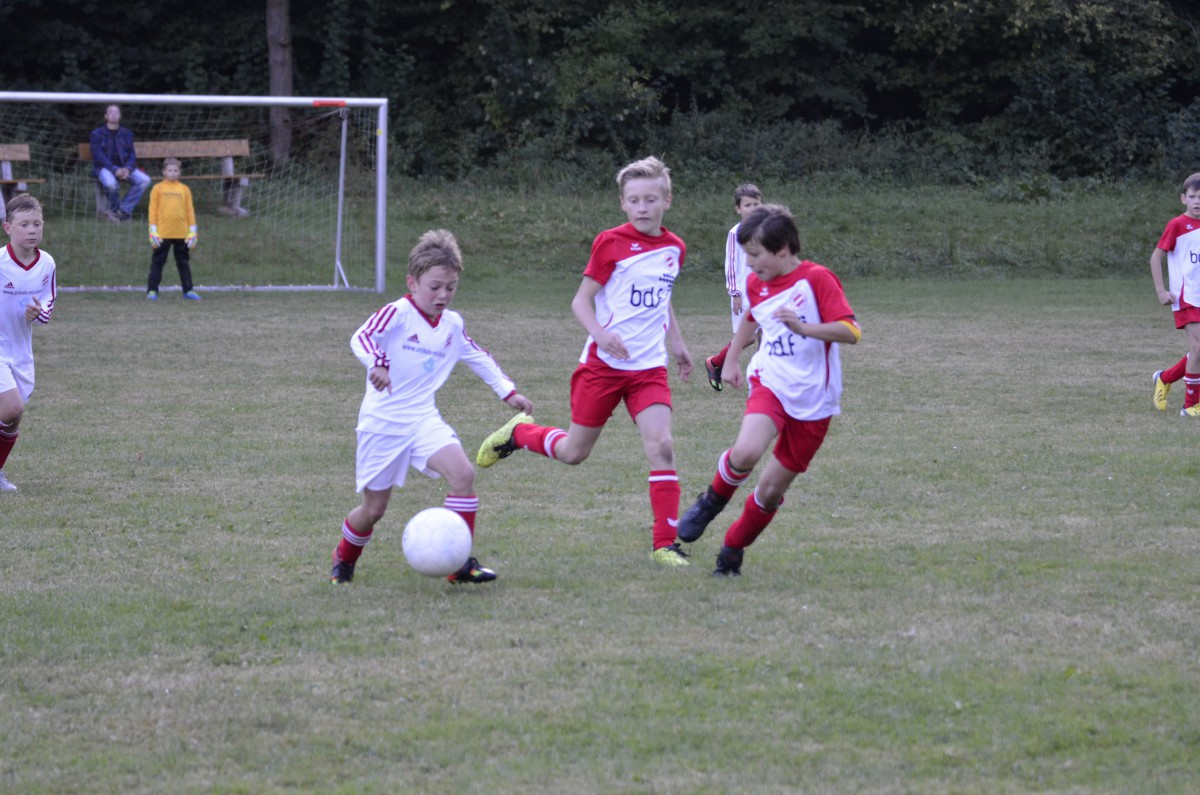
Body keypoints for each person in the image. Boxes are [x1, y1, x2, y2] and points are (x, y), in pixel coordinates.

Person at [475, 155, 695, 567]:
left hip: (647, 369)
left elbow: (663, 302)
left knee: (662, 446)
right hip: (602, 367)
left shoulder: (674, 248)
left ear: (667, 200)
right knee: (575, 452)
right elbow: (580, 301)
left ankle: (665, 544)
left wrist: (678, 345)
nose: (643, 206)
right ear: (623, 205)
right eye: (635, 200)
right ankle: (519, 435)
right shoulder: (610, 242)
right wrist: (600, 334)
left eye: (651, 198)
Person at [329, 228, 533, 585]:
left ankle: (460, 564)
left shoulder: (452, 324)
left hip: (423, 419)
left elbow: (477, 355)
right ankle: (344, 558)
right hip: (382, 424)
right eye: (435, 286)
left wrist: (508, 392)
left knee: (464, 476)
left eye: (450, 287)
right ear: (412, 282)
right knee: (373, 510)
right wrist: (377, 362)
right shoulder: (398, 313)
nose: (443, 295)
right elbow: (360, 336)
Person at [676, 204, 860, 576]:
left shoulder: (818, 280)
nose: (750, 263)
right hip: (771, 380)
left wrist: (805, 328)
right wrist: (729, 361)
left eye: (755, 255)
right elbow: (750, 316)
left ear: (783, 250)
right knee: (744, 451)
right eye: (746, 255)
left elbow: (851, 331)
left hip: (814, 401)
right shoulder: (755, 282)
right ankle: (710, 502)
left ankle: (732, 550)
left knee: (770, 492)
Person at [0, 193, 58, 492]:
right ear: (7, 227)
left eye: (37, 223)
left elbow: (47, 303)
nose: (32, 230)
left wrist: (39, 312)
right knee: (11, 409)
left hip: (21, 352)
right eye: (24, 224)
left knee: (11, 419)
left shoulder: (46, 263)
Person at [703, 183, 764, 391]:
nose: (753, 208)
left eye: (756, 204)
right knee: (746, 338)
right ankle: (716, 362)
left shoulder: (768, 228)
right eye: (748, 205)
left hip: (766, 292)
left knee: (766, 335)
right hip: (744, 294)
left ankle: (764, 378)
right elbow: (731, 265)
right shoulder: (735, 232)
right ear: (738, 209)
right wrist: (735, 293)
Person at [1149, 172, 1200, 417]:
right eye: (1193, 197)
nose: (1198, 201)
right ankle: (1190, 406)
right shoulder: (1177, 225)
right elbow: (1156, 257)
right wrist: (1161, 290)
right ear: (1184, 198)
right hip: (1186, 296)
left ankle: (1165, 378)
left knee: (1199, 351)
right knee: (1199, 347)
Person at [146, 157, 201, 301]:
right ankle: (152, 290)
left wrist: (192, 231)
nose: (172, 173)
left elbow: (190, 211)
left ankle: (188, 290)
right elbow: (152, 210)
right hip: (162, 234)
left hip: (182, 233)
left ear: (179, 172)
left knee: (183, 262)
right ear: (164, 172)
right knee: (158, 262)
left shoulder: (184, 189)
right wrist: (153, 231)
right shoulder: (157, 188)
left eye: (175, 170)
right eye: (169, 170)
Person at [89, 104, 151, 223]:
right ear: (106, 116)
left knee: (145, 180)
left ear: (120, 116)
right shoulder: (96, 134)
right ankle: (117, 212)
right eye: (110, 112)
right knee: (111, 184)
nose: (113, 114)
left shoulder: (127, 134)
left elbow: (132, 154)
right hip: (104, 169)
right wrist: (114, 169)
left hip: (124, 168)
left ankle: (122, 210)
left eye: (116, 112)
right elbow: (98, 156)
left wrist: (127, 168)